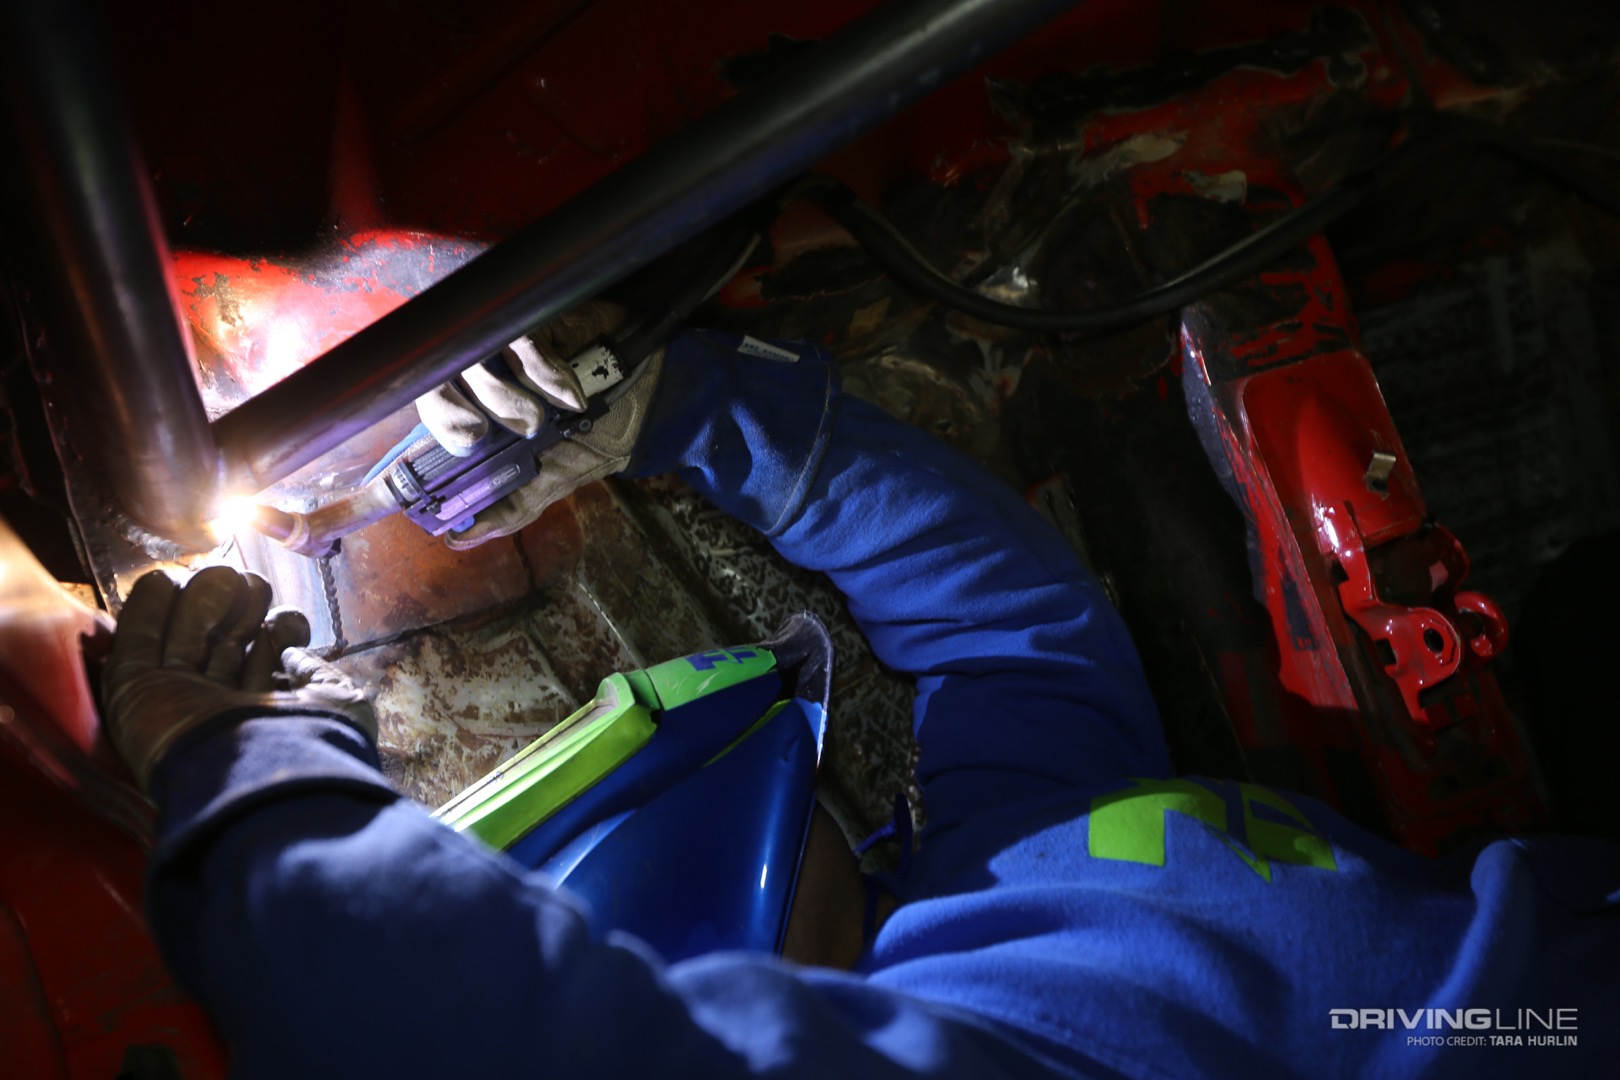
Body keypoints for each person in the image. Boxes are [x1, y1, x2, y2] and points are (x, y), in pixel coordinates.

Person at [102, 306, 1618, 1078]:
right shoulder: (961, 1036)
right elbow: (468, 1027)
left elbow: (1011, 635)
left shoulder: (979, 892)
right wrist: (236, 766)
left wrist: (675, 411)